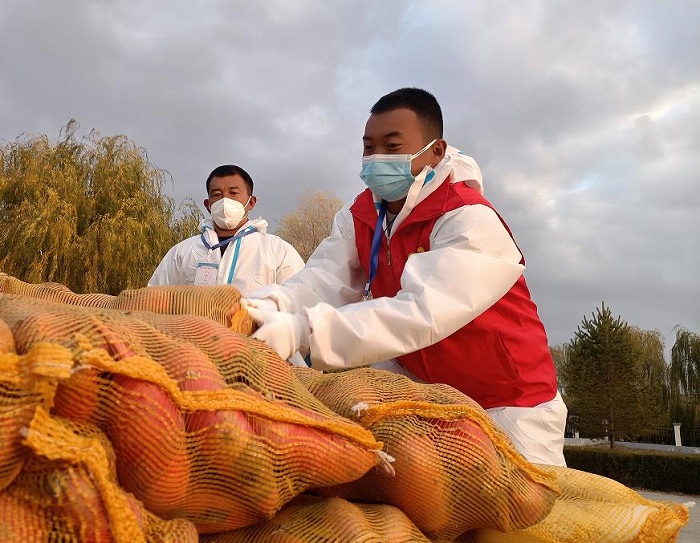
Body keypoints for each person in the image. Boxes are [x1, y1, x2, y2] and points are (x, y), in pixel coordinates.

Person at [244, 88, 567, 466]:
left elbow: (422, 311)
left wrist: (304, 330)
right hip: (419, 388)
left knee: (524, 498)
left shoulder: (467, 217)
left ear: (436, 151)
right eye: (369, 147)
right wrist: (271, 304)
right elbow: (325, 277)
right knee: (403, 489)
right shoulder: (360, 215)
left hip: (507, 400)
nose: (376, 158)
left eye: (392, 146)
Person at [148, 164, 304, 294]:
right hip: (193, 324)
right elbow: (154, 299)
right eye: (216, 194)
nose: (224, 200)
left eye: (233, 193)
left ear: (251, 202)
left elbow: (298, 301)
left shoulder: (277, 250)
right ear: (208, 205)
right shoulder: (182, 252)